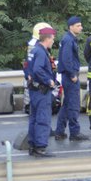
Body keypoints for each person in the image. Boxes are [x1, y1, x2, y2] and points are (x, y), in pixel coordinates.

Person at [53, 16, 89, 142]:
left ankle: (60, 131)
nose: (81, 27)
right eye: (78, 25)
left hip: (67, 76)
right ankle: (75, 133)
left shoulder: (68, 38)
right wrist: (72, 74)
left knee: (66, 105)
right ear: (71, 27)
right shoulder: (68, 40)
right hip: (70, 77)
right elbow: (66, 59)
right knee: (73, 105)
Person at [26, 26, 57, 157]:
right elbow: (38, 69)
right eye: (53, 39)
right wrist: (48, 81)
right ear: (47, 39)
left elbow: (28, 67)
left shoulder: (35, 50)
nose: (53, 42)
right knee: (43, 119)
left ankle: (33, 145)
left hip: (34, 89)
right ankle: (40, 147)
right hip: (41, 90)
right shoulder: (41, 52)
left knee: (34, 118)